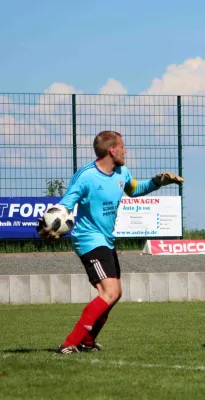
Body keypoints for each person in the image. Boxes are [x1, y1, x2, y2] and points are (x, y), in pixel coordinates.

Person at [37, 130, 183, 354]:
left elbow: (134, 190)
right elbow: (64, 206)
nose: (126, 150)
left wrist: (157, 182)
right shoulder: (85, 176)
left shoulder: (121, 171)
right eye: (122, 147)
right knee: (110, 292)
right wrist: (50, 225)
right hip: (89, 239)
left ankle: (87, 341)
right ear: (111, 150)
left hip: (106, 239)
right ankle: (69, 343)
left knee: (114, 293)